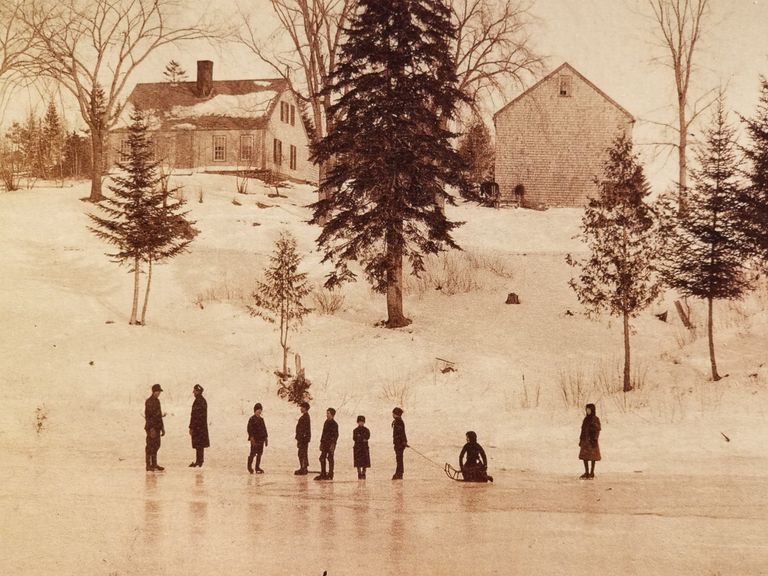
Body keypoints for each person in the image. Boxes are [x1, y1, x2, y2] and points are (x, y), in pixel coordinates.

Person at [145, 383, 165, 472]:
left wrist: (162, 428)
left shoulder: (157, 401)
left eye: (159, 392)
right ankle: (148, 465)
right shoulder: (149, 401)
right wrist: (151, 429)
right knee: (150, 446)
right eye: (158, 391)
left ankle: (154, 464)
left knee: (156, 445)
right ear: (154, 391)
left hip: (157, 427)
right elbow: (148, 416)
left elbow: (159, 416)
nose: (159, 393)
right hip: (151, 428)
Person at [188, 384, 209, 467]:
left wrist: (192, 427)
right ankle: (199, 460)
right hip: (200, 427)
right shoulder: (200, 400)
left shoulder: (199, 401)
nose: (193, 392)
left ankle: (199, 461)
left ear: (198, 391)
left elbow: (195, 416)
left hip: (198, 427)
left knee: (199, 445)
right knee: (199, 445)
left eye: (195, 391)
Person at [579, 403, 601, 479]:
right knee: (585, 457)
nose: (588, 411)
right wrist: (581, 439)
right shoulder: (585, 419)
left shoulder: (595, 419)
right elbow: (582, 430)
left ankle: (592, 473)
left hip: (592, 441)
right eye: (587, 409)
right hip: (585, 441)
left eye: (589, 409)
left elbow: (597, 430)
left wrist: (595, 439)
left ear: (592, 410)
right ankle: (587, 472)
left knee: (592, 457)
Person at [315, 407, 339, 480]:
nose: (327, 415)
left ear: (332, 414)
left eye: (328, 413)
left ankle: (330, 474)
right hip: (325, 443)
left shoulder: (335, 424)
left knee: (330, 458)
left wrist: (333, 444)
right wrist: (321, 443)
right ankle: (323, 473)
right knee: (322, 458)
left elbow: (336, 435)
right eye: (327, 413)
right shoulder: (326, 422)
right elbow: (323, 433)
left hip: (330, 444)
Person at [247, 403, 268, 474]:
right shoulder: (252, 419)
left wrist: (266, 438)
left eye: (260, 410)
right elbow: (249, 429)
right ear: (255, 411)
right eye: (258, 410)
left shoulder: (261, 419)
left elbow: (264, 429)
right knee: (253, 453)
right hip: (254, 440)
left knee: (259, 454)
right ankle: (249, 467)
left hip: (261, 439)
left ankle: (257, 467)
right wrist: (251, 438)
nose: (259, 411)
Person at [294, 401, 311, 475]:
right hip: (303, 438)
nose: (300, 409)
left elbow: (304, 429)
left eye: (302, 407)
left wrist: (300, 439)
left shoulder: (305, 417)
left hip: (303, 439)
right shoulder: (305, 416)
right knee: (302, 453)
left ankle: (303, 468)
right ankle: (303, 467)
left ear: (305, 408)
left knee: (302, 453)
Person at [391, 407, 407, 480]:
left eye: (393, 413)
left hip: (399, 444)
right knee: (399, 458)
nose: (392, 415)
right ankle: (399, 472)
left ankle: (399, 473)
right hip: (399, 443)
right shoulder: (398, 421)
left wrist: (403, 441)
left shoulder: (398, 422)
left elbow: (401, 433)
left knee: (399, 458)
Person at [353, 415, 371, 479]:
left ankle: (364, 472)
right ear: (358, 422)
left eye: (362, 422)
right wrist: (362, 439)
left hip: (364, 447)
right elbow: (355, 438)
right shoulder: (355, 430)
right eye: (360, 421)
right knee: (358, 461)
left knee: (364, 461)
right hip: (358, 447)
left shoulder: (366, 430)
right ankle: (359, 472)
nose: (361, 423)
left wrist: (360, 438)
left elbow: (367, 437)